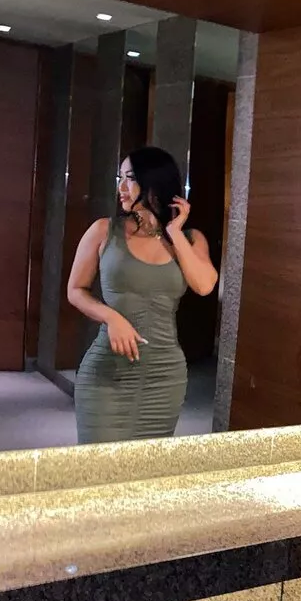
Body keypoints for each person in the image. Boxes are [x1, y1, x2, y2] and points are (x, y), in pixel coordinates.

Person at [67, 146, 219, 444]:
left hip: (163, 375)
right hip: (108, 371)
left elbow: (204, 286)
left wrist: (175, 232)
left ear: (154, 181)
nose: (121, 187)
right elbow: (75, 290)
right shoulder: (103, 230)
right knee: (99, 464)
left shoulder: (190, 239)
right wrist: (111, 317)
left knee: (145, 468)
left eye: (130, 178)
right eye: (120, 178)